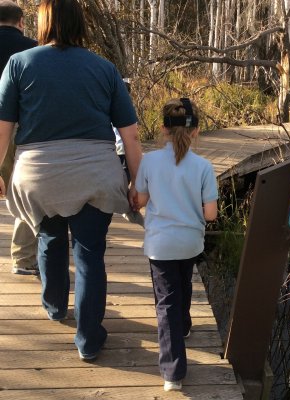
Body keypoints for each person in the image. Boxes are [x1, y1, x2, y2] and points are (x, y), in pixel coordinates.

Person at [0, 0, 142, 361]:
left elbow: (3, 130)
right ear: (81, 23)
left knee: (49, 237)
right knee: (90, 254)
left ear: (42, 22)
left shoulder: (19, 64)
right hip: (96, 172)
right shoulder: (104, 68)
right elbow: (131, 137)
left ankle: (54, 306)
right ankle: (89, 340)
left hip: (38, 175)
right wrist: (137, 183)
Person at [135, 98, 218, 391]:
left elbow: (141, 200)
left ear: (162, 129)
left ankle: (173, 371)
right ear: (196, 131)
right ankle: (183, 327)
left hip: (160, 244)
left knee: (166, 300)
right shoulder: (204, 166)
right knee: (183, 284)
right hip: (191, 242)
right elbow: (210, 214)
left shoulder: (148, 160)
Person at [0, 0, 39, 275]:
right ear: (21, 21)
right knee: (24, 189)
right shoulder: (34, 50)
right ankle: (23, 258)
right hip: (19, 128)